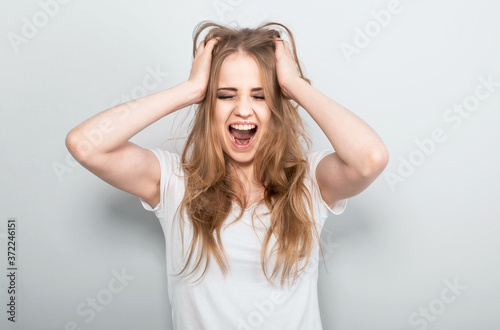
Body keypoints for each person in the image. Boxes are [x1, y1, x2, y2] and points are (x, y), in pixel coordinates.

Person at [66, 21, 389, 330]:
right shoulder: (175, 183)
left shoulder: (308, 184)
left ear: (279, 106)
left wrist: (294, 86)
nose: (243, 110)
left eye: (260, 95)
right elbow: (86, 144)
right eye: (226, 95)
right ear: (209, 104)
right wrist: (190, 89)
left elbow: (369, 159)